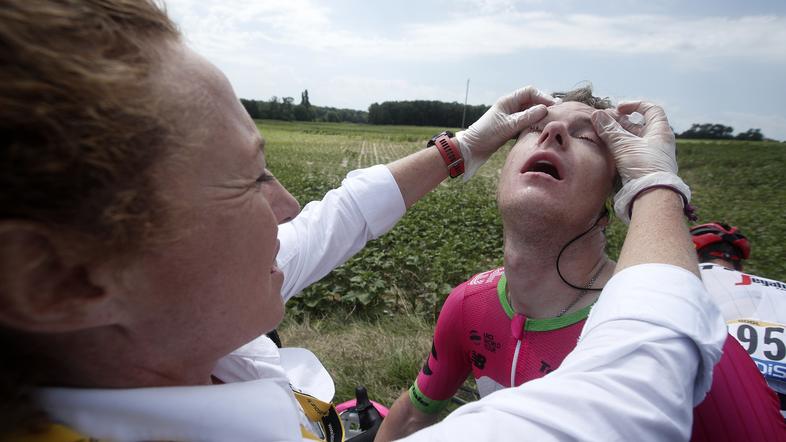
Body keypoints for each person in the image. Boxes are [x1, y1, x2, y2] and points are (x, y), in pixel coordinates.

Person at [0, 1, 726, 440]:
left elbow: (336, 218)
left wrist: (462, 149)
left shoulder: (150, 326)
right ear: (57, 279)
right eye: (249, 178)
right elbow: (631, 392)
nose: (287, 208)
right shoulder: (471, 308)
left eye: (591, 135)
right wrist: (657, 184)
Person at [377, 90, 786, 441]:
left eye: (587, 138)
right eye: (535, 129)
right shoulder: (469, 305)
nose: (552, 133)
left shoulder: (685, 342)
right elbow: (415, 412)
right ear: (502, 172)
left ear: (611, 204)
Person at [691, 222, 786, 414]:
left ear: (693, 256)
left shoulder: (690, 279)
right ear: (739, 263)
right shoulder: (776, 288)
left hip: (721, 399)